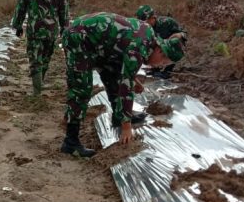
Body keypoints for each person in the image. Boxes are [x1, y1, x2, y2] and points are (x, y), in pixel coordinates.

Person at [61, 12, 186, 157]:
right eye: (163, 62)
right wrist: (127, 127)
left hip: (103, 47)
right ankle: (70, 142)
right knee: (82, 88)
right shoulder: (139, 47)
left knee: (112, 76)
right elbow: (126, 88)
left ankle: (118, 117)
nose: (159, 66)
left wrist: (135, 81)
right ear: (160, 50)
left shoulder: (148, 38)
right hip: (79, 38)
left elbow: (124, 69)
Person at [11, 0, 69, 95]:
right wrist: (64, 29)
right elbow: (64, 11)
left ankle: (37, 90)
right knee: (45, 58)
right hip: (51, 30)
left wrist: (18, 25)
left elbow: (21, 7)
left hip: (34, 29)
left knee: (35, 59)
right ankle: (39, 84)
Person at [136, 5, 188, 78]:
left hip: (170, 45)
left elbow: (184, 34)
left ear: (153, 18)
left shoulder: (167, 22)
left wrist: (179, 35)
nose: (144, 24)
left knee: (173, 45)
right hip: (157, 46)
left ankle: (167, 71)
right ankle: (155, 68)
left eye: (146, 21)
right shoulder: (143, 28)